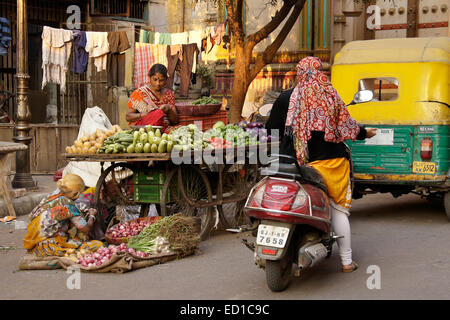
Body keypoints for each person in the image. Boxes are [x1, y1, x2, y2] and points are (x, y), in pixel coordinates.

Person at [266, 56, 377, 273]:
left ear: (299, 73)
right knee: (338, 210)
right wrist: (365, 133)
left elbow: (272, 129)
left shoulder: (287, 97)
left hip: (297, 165)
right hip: (331, 163)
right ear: (320, 72)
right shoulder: (330, 95)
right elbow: (347, 127)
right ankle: (346, 262)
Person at [24, 174, 103, 257]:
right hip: (48, 246)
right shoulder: (69, 206)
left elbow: (32, 216)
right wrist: (92, 216)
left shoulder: (50, 197)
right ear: (76, 193)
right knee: (98, 245)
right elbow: (86, 229)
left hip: (33, 245)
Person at [126, 63, 178, 131]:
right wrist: (144, 115)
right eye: (155, 79)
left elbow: (175, 120)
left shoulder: (169, 94)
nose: (158, 83)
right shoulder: (139, 93)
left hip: (164, 130)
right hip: (144, 130)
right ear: (150, 78)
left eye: (161, 80)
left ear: (166, 80)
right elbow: (128, 117)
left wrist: (168, 109)